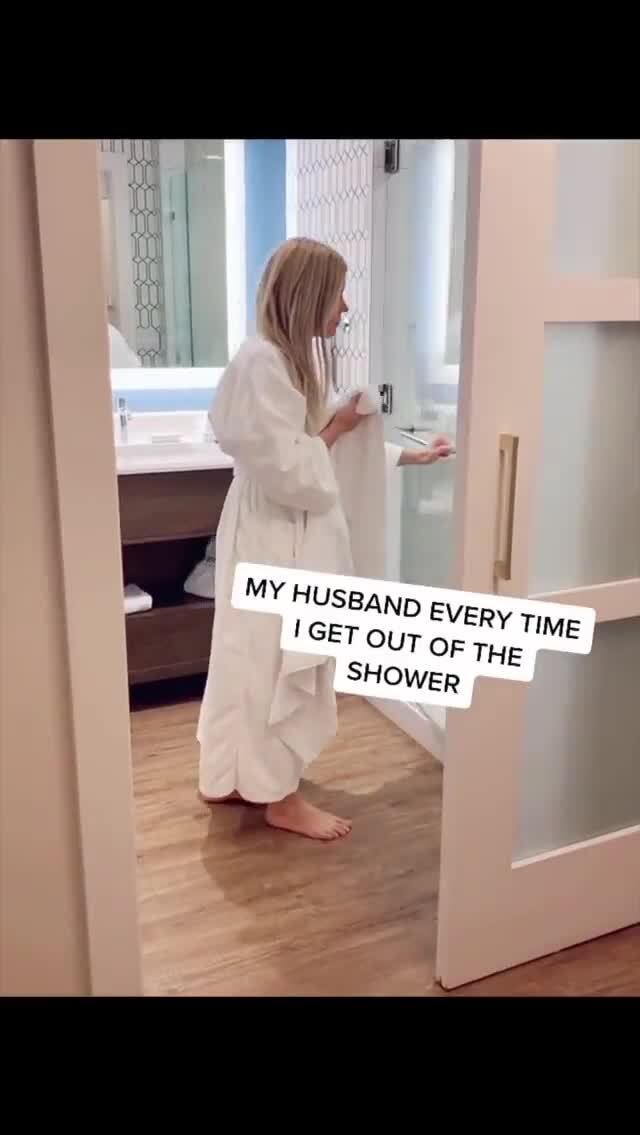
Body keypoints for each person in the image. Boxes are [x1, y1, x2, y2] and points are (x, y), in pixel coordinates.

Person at [197, 237, 453, 840]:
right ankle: (278, 796)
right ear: (308, 295)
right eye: (338, 294)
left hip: (272, 529)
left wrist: (407, 456)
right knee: (267, 657)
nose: (345, 307)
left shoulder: (282, 364)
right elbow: (292, 468)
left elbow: (310, 449)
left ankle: (233, 774)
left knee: (248, 654)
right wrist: (339, 423)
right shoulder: (262, 363)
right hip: (274, 534)